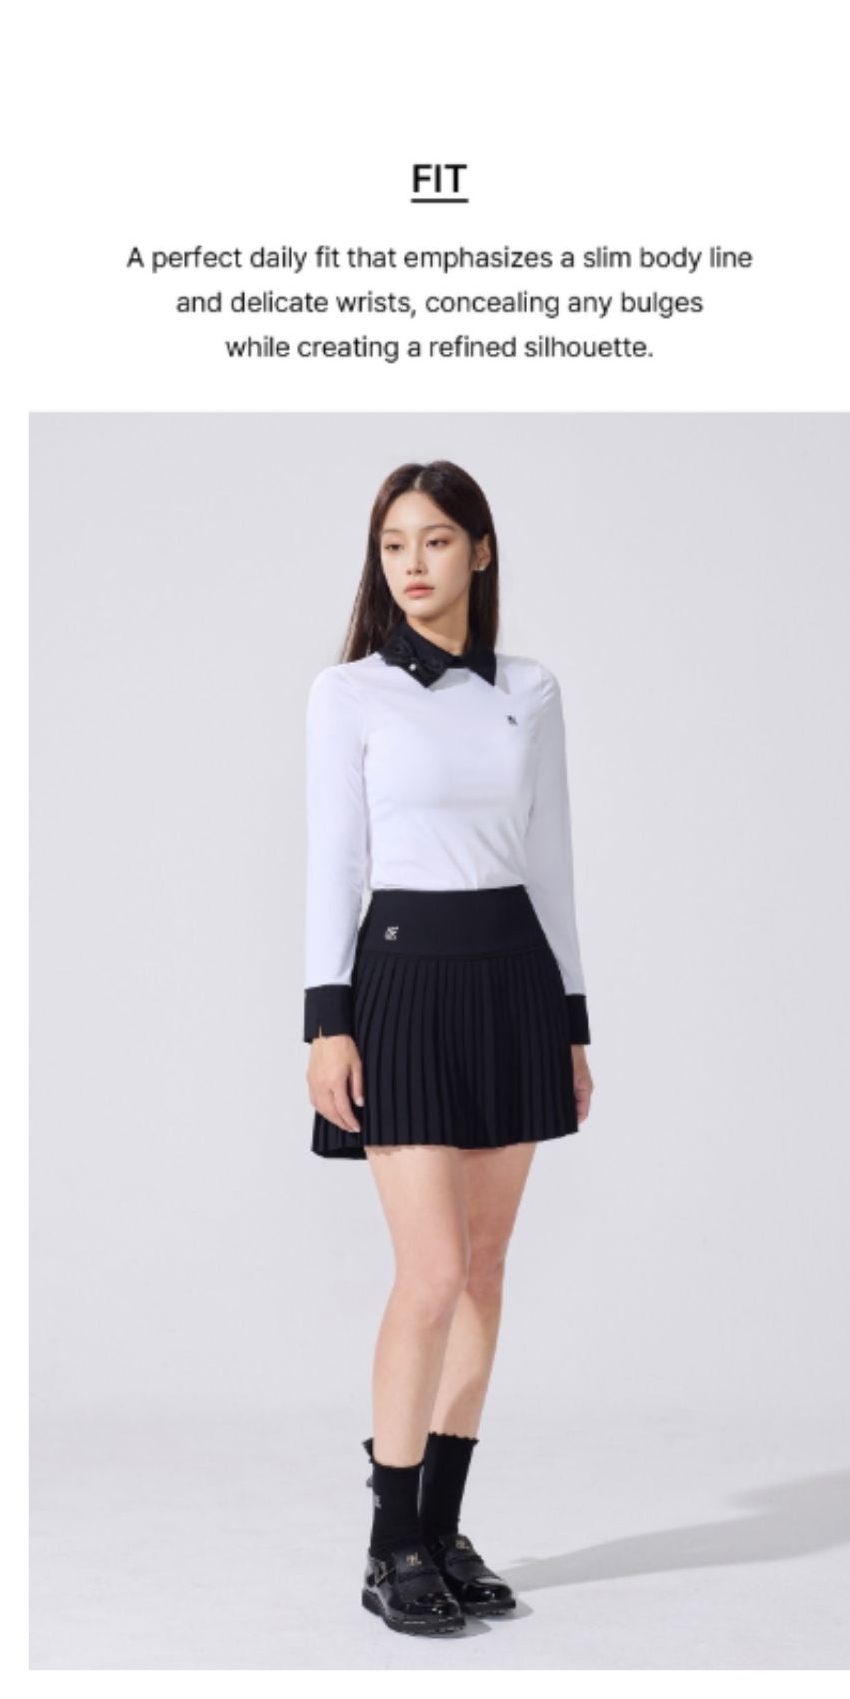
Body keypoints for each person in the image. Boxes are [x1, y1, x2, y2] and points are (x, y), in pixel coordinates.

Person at [304, 459, 594, 1637]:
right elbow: (334, 861)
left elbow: (553, 859)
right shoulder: (349, 693)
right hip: (402, 989)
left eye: (434, 540)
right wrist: (326, 1018)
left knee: (484, 1271)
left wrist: (572, 1020)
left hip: (514, 981)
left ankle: (442, 1526)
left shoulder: (531, 689)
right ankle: (389, 1545)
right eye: (393, 544)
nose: (412, 564)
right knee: (428, 1274)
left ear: (480, 550)